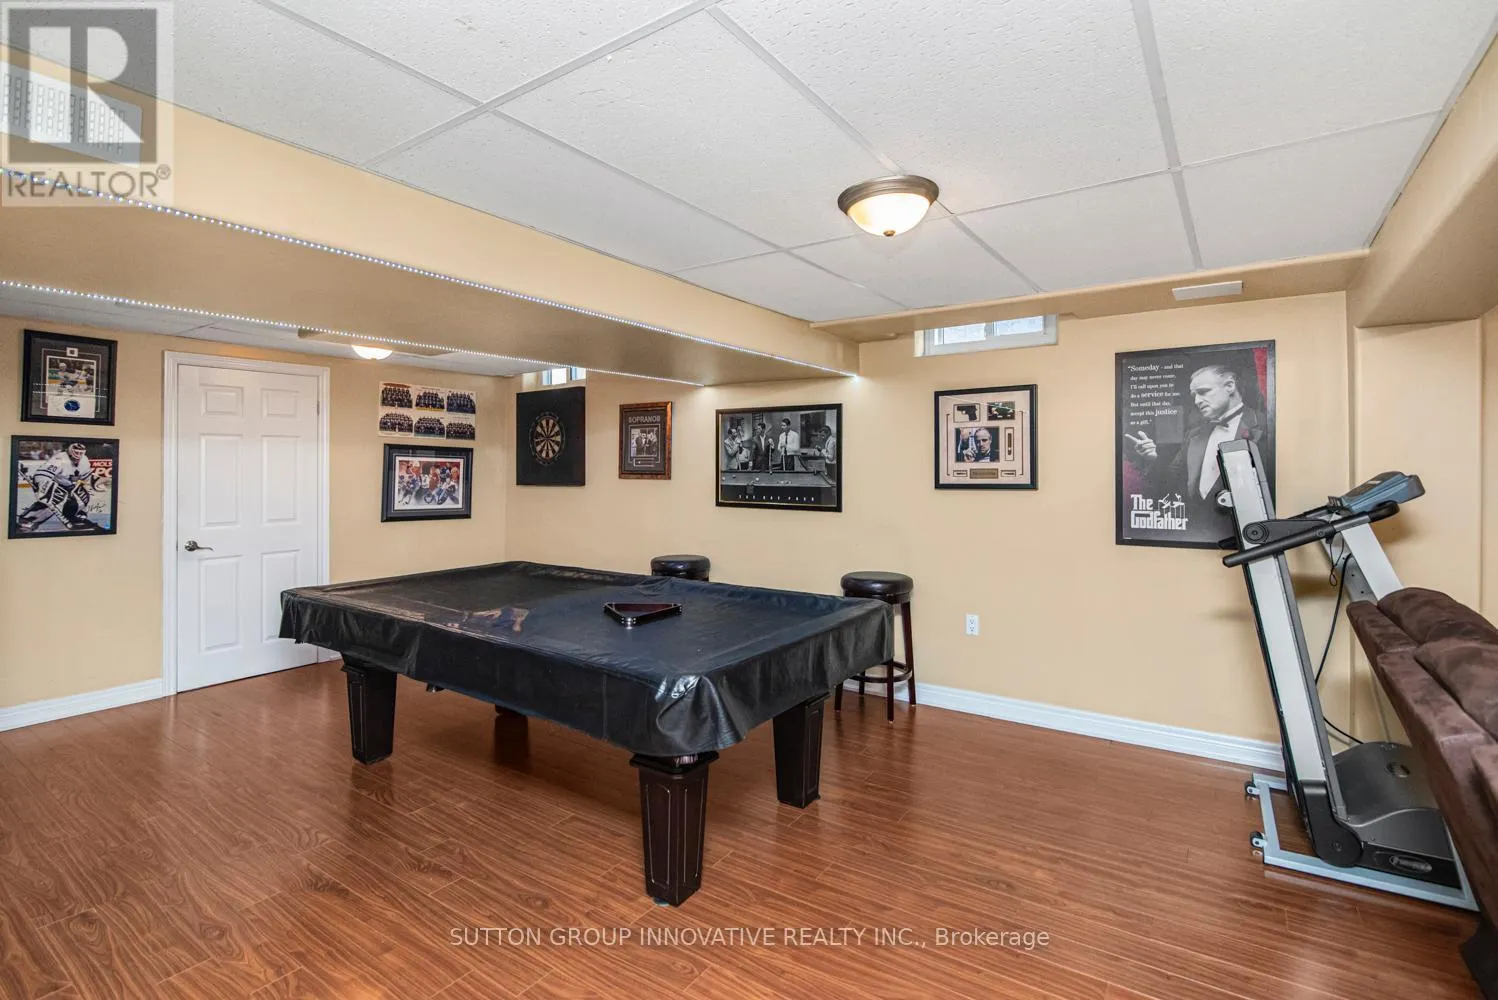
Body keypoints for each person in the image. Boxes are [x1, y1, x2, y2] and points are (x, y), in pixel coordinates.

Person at [1123, 363, 1270, 536]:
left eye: (1203, 391)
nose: (1197, 401)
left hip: (1247, 535)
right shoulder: (1193, 435)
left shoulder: (1267, 427)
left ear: (1230, 386)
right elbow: (1170, 482)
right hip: (1198, 535)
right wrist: (1153, 458)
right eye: (1194, 395)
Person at [16, 442, 99, 532]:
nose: (78, 455)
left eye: (80, 453)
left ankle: (75, 518)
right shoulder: (59, 459)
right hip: (50, 484)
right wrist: (44, 489)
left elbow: (86, 478)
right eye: (76, 452)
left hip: (68, 486)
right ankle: (28, 519)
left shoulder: (84, 460)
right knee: (56, 497)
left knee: (83, 494)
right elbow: (41, 474)